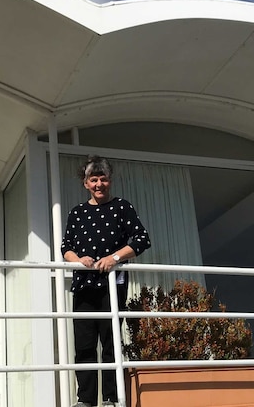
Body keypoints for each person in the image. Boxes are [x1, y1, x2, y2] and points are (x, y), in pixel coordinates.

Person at [61, 156, 151, 407]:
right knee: (85, 344)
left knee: (111, 341)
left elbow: (141, 240)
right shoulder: (77, 213)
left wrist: (114, 258)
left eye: (103, 179)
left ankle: (111, 398)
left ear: (109, 181)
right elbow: (65, 248)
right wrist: (79, 260)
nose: (99, 184)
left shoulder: (122, 207)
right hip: (84, 286)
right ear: (85, 183)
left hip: (112, 284)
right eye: (94, 179)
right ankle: (86, 400)